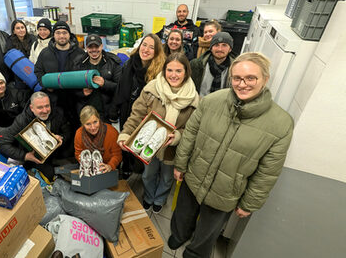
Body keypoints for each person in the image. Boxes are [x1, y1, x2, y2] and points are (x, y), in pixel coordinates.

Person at [168, 52, 294, 258]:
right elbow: (190, 133)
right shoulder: (211, 101)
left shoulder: (281, 123)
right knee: (183, 213)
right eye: (237, 78)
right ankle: (179, 234)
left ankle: (195, 253)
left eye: (251, 78)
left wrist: (250, 203)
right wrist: (180, 164)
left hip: (226, 191)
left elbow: (268, 171)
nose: (242, 84)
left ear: (265, 79)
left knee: (208, 230)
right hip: (194, 175)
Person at [117, 53, 199, 213]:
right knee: (148, 175)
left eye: (178, 71)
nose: (173, 75)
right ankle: (148, 197)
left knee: (167, 178)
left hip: (172, 149)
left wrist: (177, 136)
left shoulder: (194, 100)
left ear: (186, 72)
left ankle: (159, 199)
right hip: (150, 146)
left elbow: (192, 130)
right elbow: (136, 115)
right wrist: (126, 134)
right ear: (164, 70)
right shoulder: (151, 90)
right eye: (169, 70)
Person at [110, 33, 165, 178]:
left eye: (151, 47)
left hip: (145, 112)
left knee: (141, 140)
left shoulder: (159, 72)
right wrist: (115, 108)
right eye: (144, 45)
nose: (146, 49)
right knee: (126, 137)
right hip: (126, 107)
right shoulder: (129, 63)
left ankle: (139, 170)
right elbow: (120, 87)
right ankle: (127, 166)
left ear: (157, 52)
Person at [0, 91, 71, 181]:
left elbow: (67, 132)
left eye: (47, 106)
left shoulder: (57, 113)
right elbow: (2, 144)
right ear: (32, 108)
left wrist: (61, 138)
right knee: (48, 174)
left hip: (55, 153)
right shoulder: (22, 121)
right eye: (40, 107)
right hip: (33, 157)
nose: (45, 110)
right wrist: (25, 156)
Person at [34, 20, 85, 129]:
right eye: (58, 33)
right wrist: (45, 85)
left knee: (75, 127)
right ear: (53, 35)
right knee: (56, 128)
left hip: (74, 99)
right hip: (53, 99)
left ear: (69, 35)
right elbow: (38, 71)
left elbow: (85, 74)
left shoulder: (80, 53)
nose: (61, 36)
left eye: (64, 32)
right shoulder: (45, 53)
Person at [73, 34, 122, 122]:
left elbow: (121, 88)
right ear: (86, 48)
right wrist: (82, 93)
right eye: (90, 47)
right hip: (86, 113)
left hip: (106, 113)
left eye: (97, 46)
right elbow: (72, 88)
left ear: (102, 46)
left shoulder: (113, 62)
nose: (94, 50)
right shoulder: (78, 63)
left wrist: (105, 84)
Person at [74, 105, 122, 172]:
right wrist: (82, 159)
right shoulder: (79, 133)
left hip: (109, 169)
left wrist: (110, 166)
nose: (93, 127)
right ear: (83, 124)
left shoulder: (112, 132)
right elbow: (78, 153)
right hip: (89, 169)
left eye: (95, 122)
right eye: (88, 124)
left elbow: (117, 155)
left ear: (99, 119)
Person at [190, 32, 236, 97]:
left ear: (230, 49)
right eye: (216, 45)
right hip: (199, 104)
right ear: (211, 48)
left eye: (224, 45)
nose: (220, 49)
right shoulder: (196, 65)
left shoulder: (236, 69)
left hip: (223, 105)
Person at [6, 19, 37, 90]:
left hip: (34, 71)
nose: (21, 30)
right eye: (18, 28)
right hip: (19, 74)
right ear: (13, 31)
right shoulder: (10, 42)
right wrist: (23, 76)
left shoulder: (32, 38)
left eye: (22, 27)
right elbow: (12, 61)